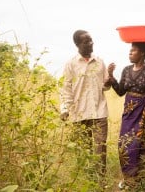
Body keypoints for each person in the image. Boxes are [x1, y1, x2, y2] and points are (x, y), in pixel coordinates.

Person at [107, 25, 145, 190]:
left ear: (142, 53)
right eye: (130, 50)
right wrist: (111, 77)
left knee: (142, 145)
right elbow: (120, 91)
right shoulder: (126, 70)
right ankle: (128, 179)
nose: (130, 53)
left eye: (133, 50)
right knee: (125, 145)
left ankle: (139, 181)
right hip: (129, 113)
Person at [59, 29, 111, 181]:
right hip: (79, 113)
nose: (91, 43)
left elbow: (105, 86)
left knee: (100, 148)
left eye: (91, 40)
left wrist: (108, 82)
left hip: (99, 112)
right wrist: (65, 109)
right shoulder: (71, 64)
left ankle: (101, 182)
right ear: (77, 44)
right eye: (86, 41)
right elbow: (65, 88)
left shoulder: (100, 61)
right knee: (83, 150)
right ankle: (88, 181)